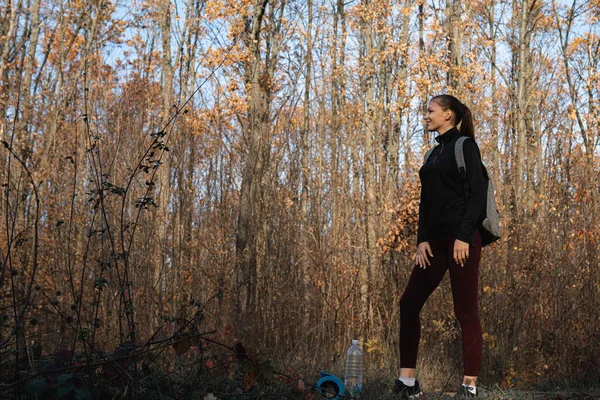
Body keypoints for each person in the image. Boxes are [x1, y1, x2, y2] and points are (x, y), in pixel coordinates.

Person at [393, 95, 486, 399]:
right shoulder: (433, 154)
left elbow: (477, 195)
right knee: (409, 304)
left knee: (466, 312)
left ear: (447, 115)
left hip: (461, 241)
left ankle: (469, 387)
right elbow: (426, 202)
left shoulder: (465, 146)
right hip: (433, 244)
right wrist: (421, 239)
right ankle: (407, 383)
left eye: (430, 111)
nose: (426, 115)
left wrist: (462, 235)